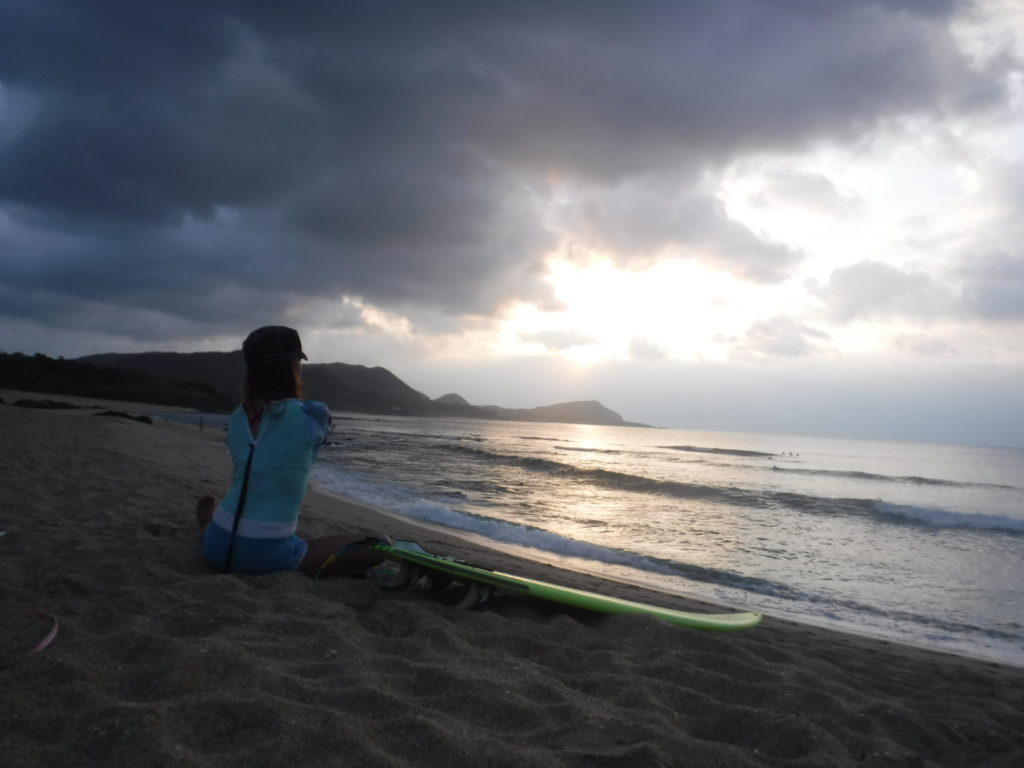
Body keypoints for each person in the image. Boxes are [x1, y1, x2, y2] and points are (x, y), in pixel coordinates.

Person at [197, 325, 387, 577]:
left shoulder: (235, 417)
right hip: (267, 553)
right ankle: (211, 525)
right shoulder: (314, 413)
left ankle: (209, 526)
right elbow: (309, 448)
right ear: (294, 366)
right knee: (379, 543)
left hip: (215, 546)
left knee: (229, 512)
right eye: (298, 362)